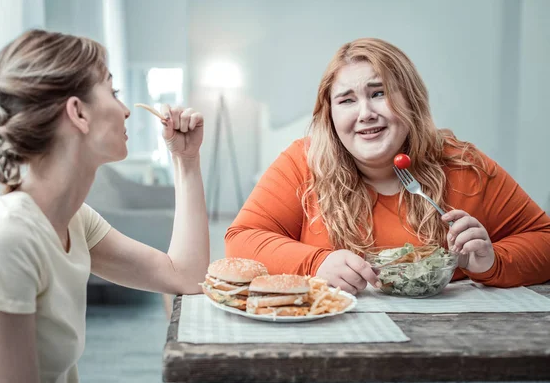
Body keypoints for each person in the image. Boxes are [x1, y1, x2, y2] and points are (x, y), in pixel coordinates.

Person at [0, 29, 209, 383]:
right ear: (78, 112)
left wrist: (186, 160)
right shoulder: (6, 243)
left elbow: (185, 275)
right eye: (113, 91)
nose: (124, 109)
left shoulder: (73, 220)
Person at [225, 38, 550, 294]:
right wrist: (316, 262)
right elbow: (241, 240)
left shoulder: (464, 165)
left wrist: (492, 261)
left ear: (411, 100)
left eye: (378, 93)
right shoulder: (302, 163)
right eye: (347, 100)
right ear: (330, 114)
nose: (365, 112)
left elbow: (544, 239)